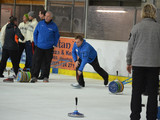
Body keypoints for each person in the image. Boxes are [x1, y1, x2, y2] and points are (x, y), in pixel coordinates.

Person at [126, 4, 160, 120]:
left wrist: (128, 62)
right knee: (153, 93)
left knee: (136, 92)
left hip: (138, 64)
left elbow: (130, 46)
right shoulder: (158, 28)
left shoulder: (136, 27)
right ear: (154, 13)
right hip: (154, 65)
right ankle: (151, 117)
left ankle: (135, 116)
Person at [30, 11, 60, 83]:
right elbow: (35, 33)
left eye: (48, 16)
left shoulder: (54, 26)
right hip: (39, 47)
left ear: (51, 17)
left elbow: (57, 36)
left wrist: (54, 44)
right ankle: (34, 76)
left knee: (47, 63)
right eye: (46, 16)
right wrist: (36, 43)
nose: (46, 17)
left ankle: (45, 77)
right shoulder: (40, 24)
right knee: (37, 62)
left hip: (49, 48)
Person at [37, 9, 47, 79]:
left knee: (43, 60)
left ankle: (43, 74)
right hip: (40, 44)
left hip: (43, 45)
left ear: (43, 15)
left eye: (40, 14)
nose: (39, 15)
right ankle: (42, 74)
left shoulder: (44, 23)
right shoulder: (40, 23)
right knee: (40, 60)